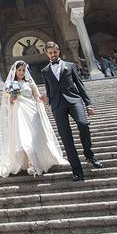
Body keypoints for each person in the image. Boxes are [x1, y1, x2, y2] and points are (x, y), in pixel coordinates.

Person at [39, 42, 102, 182]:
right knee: (66, 139)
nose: (52, 55)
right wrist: (46, 99)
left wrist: (88, 104)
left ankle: (89, 154)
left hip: (74, 100)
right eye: (49, 53)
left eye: (54, 52)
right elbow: (49, 91)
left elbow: (80, 86)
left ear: (58, 51)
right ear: (47, 54)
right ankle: (77, 171)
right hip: (57, 106)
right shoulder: (45, 71)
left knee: (83, 124)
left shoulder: (70, 66)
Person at [0, 61, 66, 178]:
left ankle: (36, 162)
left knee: (35, 136)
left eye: (23, 70)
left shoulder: (30, 82)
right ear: (15, 71)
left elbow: (37, 97)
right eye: (19, 70)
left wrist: (43, 98)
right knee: (24, 138)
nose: (22, 72)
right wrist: (13, 95)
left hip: (32, 112)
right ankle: (31, 164)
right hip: (19, 113)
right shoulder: (10, 84)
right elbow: (9, 102)